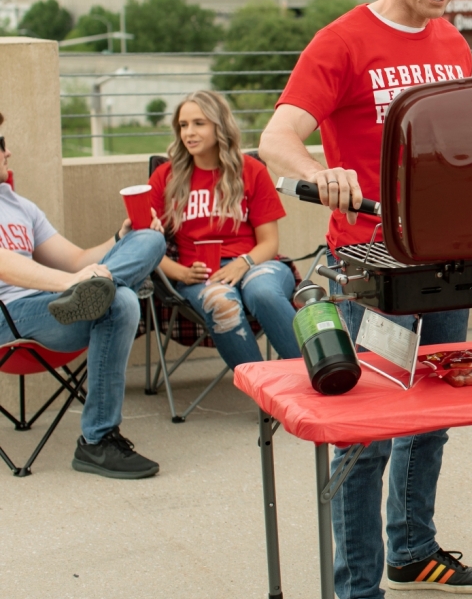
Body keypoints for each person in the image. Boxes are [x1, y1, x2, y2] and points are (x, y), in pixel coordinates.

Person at [260, 0, 472, 598]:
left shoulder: (454, 46)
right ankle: (358, 586)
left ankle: (413, 552)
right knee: (364, 438)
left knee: (433, 419)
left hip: (444, 261)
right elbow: (278, 138)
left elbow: (464, 162)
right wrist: (319, 174)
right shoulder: (341, 42)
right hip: (369, 268)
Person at [0, 113, 166, 478]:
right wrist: (70, 284)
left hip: (55, 310)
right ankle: (99, 440)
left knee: (149, 240)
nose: (8, 152)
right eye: (0, 145)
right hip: (7, 316)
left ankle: (97, 443)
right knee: (118, 298)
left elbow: (76, 259)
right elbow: (4, 264)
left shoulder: (20, 206)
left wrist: (120, 239)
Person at [149, 90, 300, 366]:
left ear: (219, 126)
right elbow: (146, 246)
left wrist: (243, 263)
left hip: (256, 263)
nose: (188, 133)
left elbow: (269, 243)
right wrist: (181, 272)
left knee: (263, 292)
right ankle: (265, 395)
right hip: (199, 273)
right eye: (183, 125)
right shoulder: (166, 177)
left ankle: (317, 380)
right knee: (222, 302)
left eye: (199, 123)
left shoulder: (251, 170)